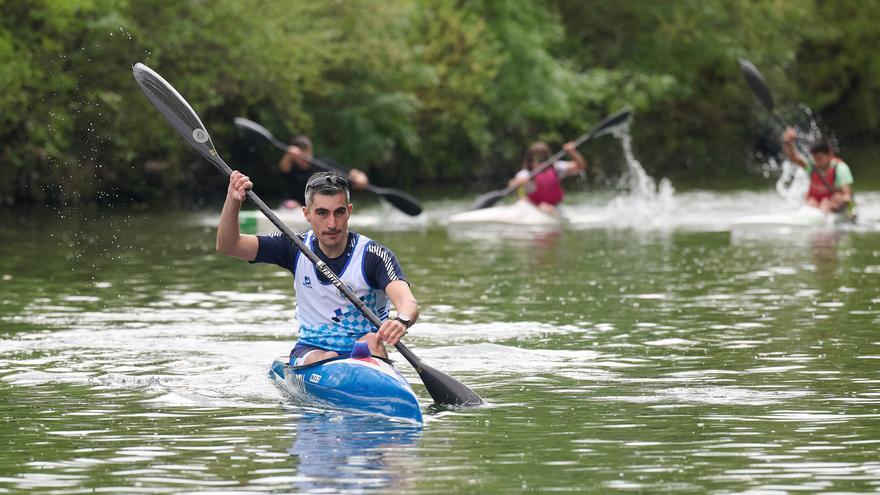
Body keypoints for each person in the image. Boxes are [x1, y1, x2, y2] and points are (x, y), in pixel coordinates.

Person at [216, 169, 418, 365]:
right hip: (312, 349)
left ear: (349, 212)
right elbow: (229, 245)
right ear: (307, 214)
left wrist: (402, 321)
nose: (332, 224)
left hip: (365, 351)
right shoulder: (295, 246)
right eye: (322, 213)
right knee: (327, 357)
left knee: (369, 343)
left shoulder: (373, 256)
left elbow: (408, 302)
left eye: (339, 212)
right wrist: (233, 201)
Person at [278, 135, 369, 208]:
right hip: (294, 205)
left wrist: (359, 176)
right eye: (300, 152)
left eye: (306, 150)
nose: (303, 156)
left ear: (311, 151)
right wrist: (288, 155)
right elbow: (283, 168)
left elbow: (349, 172)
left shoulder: (322, 164)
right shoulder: (289, 166)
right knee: (290, 204)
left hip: (318, 205)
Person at [782, 127, 854, 214]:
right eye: (815, 159)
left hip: (832, 205)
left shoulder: (840, 169)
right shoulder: (812, 167)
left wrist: (840, 199)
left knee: (825, 203)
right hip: (815, 204)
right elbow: (793, 158)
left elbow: (847, 196)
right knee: (811, 202)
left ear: (830, 154)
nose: (817, 162)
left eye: (820, 158)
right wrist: (788, 142)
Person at [507, 141, 588, 215]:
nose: (537, 162)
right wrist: (517, 183)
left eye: (541, 159)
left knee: (544, 207)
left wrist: (572, 152)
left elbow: (581, 166)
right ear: (529, 160)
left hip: (553, 207)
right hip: (533, 207)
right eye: (534, 159)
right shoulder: (525, 174)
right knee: (523, 201)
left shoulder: (557, 168)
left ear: (547, 158)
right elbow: (511, 185)